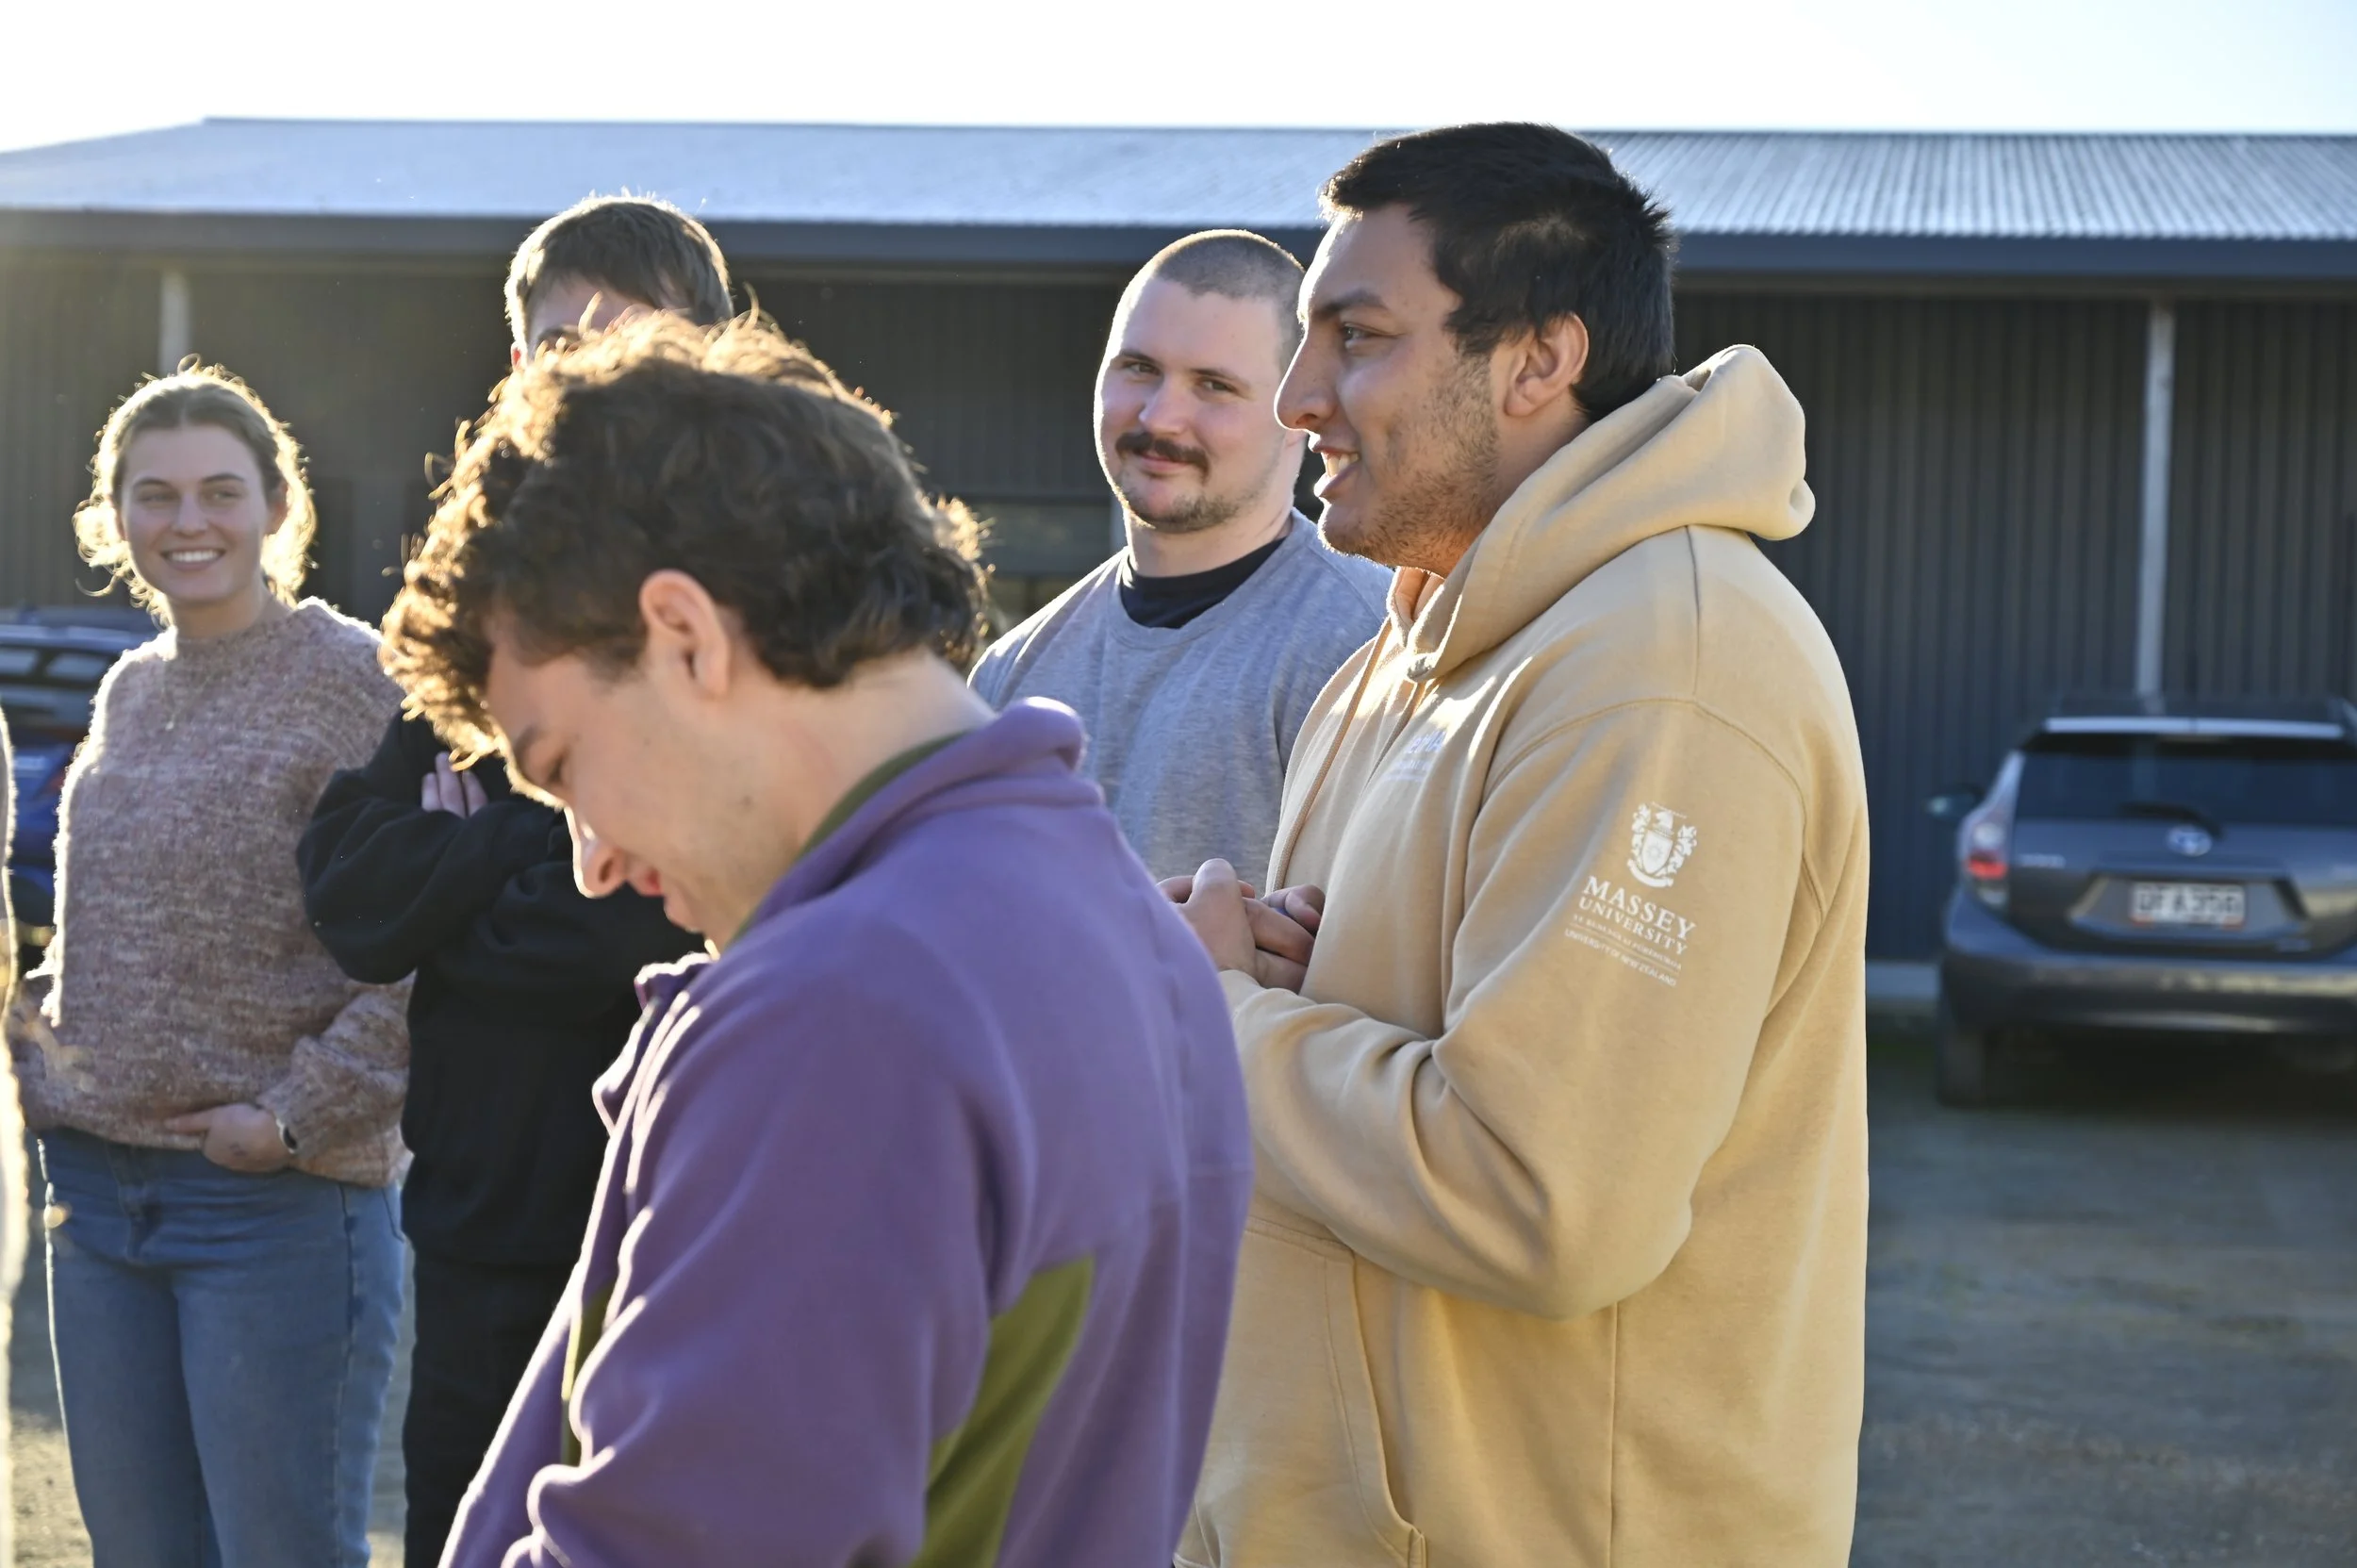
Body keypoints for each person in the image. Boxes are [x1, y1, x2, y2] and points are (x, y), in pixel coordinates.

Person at [379, 314, 1256, 1568]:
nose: (592, 860)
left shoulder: (843, 1011)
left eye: (561, 765)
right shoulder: (1128, 922)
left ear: (684, 634)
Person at [1167, 123, 1870, 1567]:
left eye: (1354, 338)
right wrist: (1296, 980)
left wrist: (1207, 1018)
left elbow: (1545, 1200)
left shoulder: (1667, 663)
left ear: (1538, 360)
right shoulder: (1409, 647)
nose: (1299, 397)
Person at [297, 192, 721, 1568]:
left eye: (620, 336)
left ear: (706, 351)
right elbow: (351, 892)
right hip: (479, 1231)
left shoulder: (754, 589)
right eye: (553, 342)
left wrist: (464, 857)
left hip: (680, 1227)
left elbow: (640, 921)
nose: (580, 368)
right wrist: (516, 844)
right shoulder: (487, 603)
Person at [17, 366, 407, 1568]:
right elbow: (110, 922)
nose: (189, 522)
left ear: (281, 506)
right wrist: (38, 1031)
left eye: (221, 492)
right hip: (95, 1203)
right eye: (156, 495)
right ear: (113, 519)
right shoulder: (130, 690)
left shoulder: (355, 679)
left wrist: (293, 1118)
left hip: (270, 1208)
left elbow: (414, 952)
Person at [970, 230, 1388, 881]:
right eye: (1139, 368)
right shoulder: (1013, 671)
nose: (1162, 417)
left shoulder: (1366, 650)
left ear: (1300, 416)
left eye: (1214, 385)